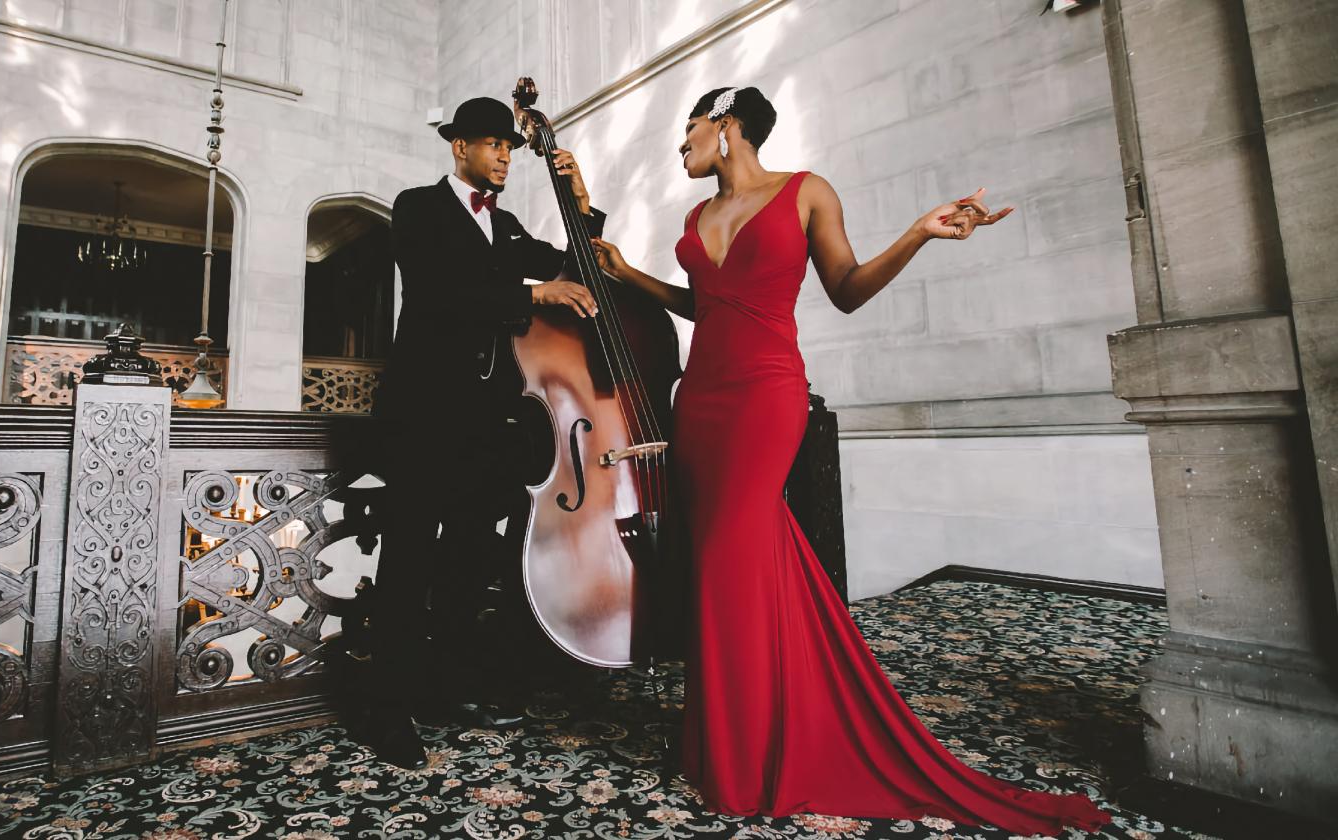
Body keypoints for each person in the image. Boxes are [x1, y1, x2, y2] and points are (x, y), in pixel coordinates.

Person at [590, 86, 1109, 836]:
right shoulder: (695, 217)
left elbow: (848, 290)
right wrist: (629, 274)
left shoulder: (806, 192)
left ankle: (754, 753)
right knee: (723, 561)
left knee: (734, 552)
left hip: (767, 394)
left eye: (691, 128)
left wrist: (919, 233)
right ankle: (731, 740)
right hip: (699, 399)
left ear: (727, 125)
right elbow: (710, 304)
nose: (682, 144)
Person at [367, 96, 605, 769]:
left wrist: (579, 198)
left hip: (488, 425)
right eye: (493, 144)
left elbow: (571, 268)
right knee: (409, 561)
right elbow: (443, 291)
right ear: (459, 148)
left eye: (510, 146)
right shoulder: (417, 207)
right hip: (421, 419)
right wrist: (532, 296)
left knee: (469, 561)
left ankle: (442, 687)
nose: (505, 155)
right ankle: (388, 709)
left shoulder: (503, 226)